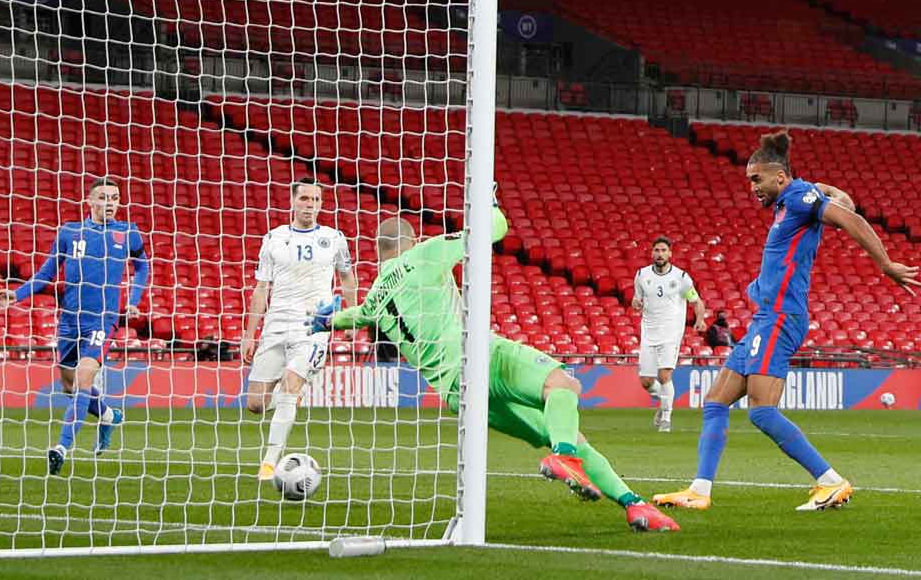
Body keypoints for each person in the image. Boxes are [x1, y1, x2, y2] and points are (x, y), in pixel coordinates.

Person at [309, 191, 680, 532]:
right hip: (479, 355)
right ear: (411, 241)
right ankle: (566, 458)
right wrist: (489, 201)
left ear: (379, 251)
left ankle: (633, 504)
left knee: (562, 431)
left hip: (456, 392)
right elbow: (496, 228)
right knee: (563, 385)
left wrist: (327, 320)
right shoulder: (424, 255)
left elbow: (355, 316)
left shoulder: (376, 296)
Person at [654, 131, 919, 512]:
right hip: (765, 317)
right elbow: (837, 198)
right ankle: (699, 490)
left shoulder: (796, 198)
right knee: (715, 402)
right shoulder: (792, 199)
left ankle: (831, 481)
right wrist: (823, 188)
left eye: (756, 179)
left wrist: (886, 264)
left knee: (762, 410)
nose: (752, 188)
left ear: (779, 177)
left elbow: (850, 218)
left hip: (781, 318)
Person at [0, 176, 149, 476]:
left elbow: (142, 266)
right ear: (90, 201)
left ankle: (61, 448)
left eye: (114, 198)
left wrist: (134, 299)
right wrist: (17, 294)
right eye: (103, 197)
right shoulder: (70, 232)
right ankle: (108, 415)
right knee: (69, 385)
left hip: (102, 319)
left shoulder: (128, 233)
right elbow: (46, 272)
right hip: (70, 319)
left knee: (85, 378)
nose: (110, 203)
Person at [241, 178, 358, 481]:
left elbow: (347, 278)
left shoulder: (334, 239)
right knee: (256, 404)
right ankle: (290, 397)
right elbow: (261, 288)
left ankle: (269, 462)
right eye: (304, 198)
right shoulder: (274, 238)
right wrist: (249, 334)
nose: (310, 204)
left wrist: (351, 317)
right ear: (293, 201)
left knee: (291, 386)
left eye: (316, 199)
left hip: (314, 324)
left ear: (321, 204)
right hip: (276, 324)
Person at [632, 236, 706, 433]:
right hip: (649, 331)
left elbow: (696, 301)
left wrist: (700, 319)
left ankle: (666, 418)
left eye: (664, 250)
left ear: (670, 254)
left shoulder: (681, 278)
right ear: (652, 253)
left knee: (664, 375)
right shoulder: (641, 275)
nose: (660, 254)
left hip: (671, 332)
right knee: (646, 381)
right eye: (657, 250)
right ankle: (664, 401)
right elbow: (636, 300)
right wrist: (636, 303)